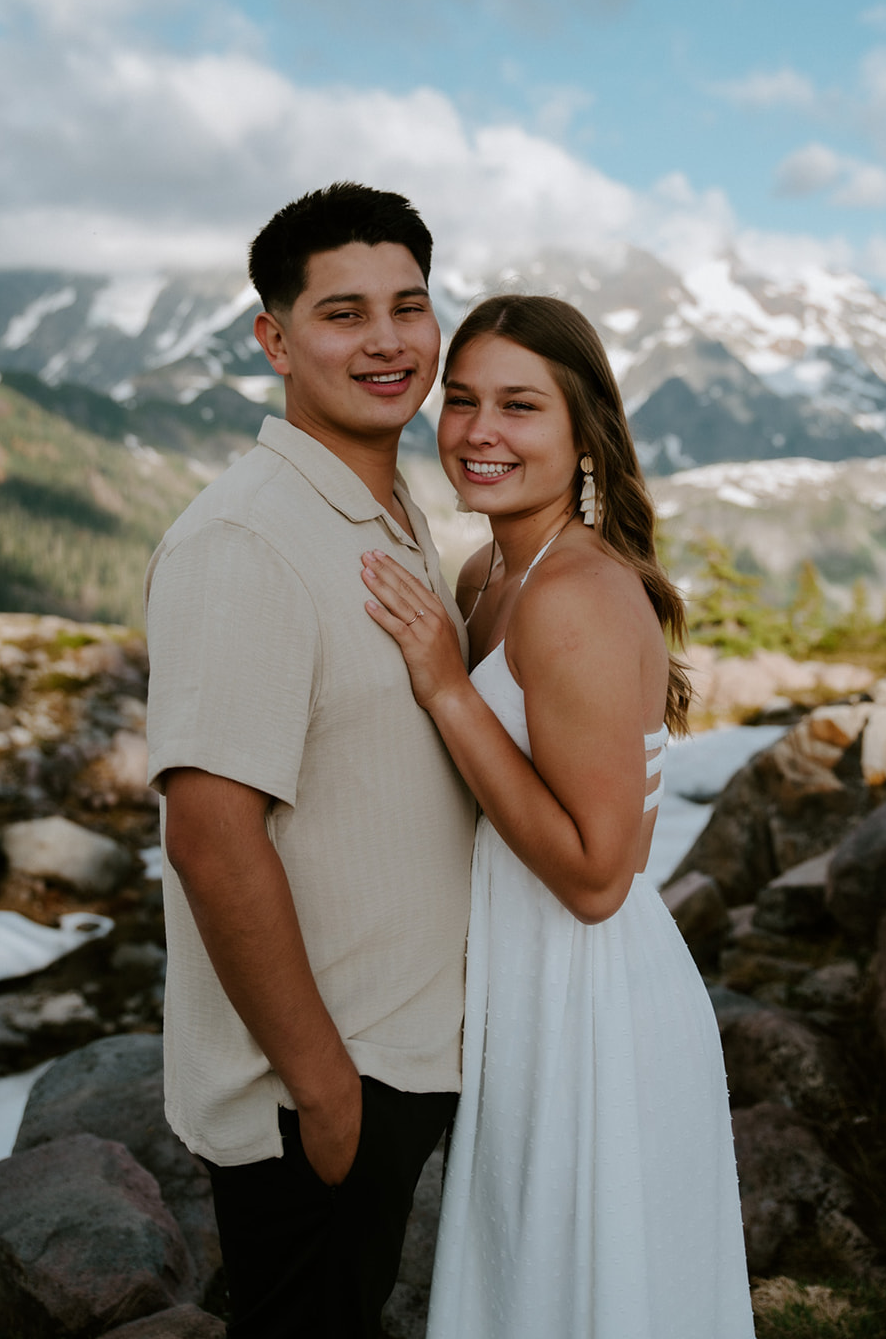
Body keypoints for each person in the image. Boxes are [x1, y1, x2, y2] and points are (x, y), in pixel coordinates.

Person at [360, 294, 755, 1339]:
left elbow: (595, 877)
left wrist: (448, 689)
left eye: (521, 406)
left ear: (584, 434)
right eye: (463, 400)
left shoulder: (571, 593)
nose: (481, 431)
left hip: (589, 1000)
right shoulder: (489, 570)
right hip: (521, 984)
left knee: (583, 1290)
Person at [144, 182, 476, 1339]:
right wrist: (326, 1088)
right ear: (275, 338)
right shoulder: (247, 539)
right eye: (344, 314)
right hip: (326, 1087)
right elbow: (209, 831)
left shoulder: (386, 513)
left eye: (409, 305)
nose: (386, 340)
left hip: (399, 1056)